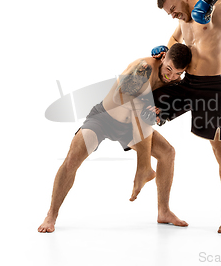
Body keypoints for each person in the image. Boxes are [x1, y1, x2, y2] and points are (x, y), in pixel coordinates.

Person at [38, 44, 192, 233]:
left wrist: (162, 112)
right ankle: (51, 215)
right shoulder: (144, 68)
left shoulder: (173, 79)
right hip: (104, 118)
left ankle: (164, 211)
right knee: (72, 159)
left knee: (167, 153)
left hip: (129, 127)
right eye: (169, 69)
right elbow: (127, 100)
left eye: (178, 73)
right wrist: (142, 162)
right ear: (163, 57)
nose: (171, 76)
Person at [151, 0, 221, 233]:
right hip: (187, 84)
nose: (173, 15)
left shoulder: (214, 8)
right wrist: (166, 51)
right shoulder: (183, 21)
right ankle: (161, 205)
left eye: (173, 9)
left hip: (211, 89)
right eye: (169, 14)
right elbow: (174, 39)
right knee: (140, 106)